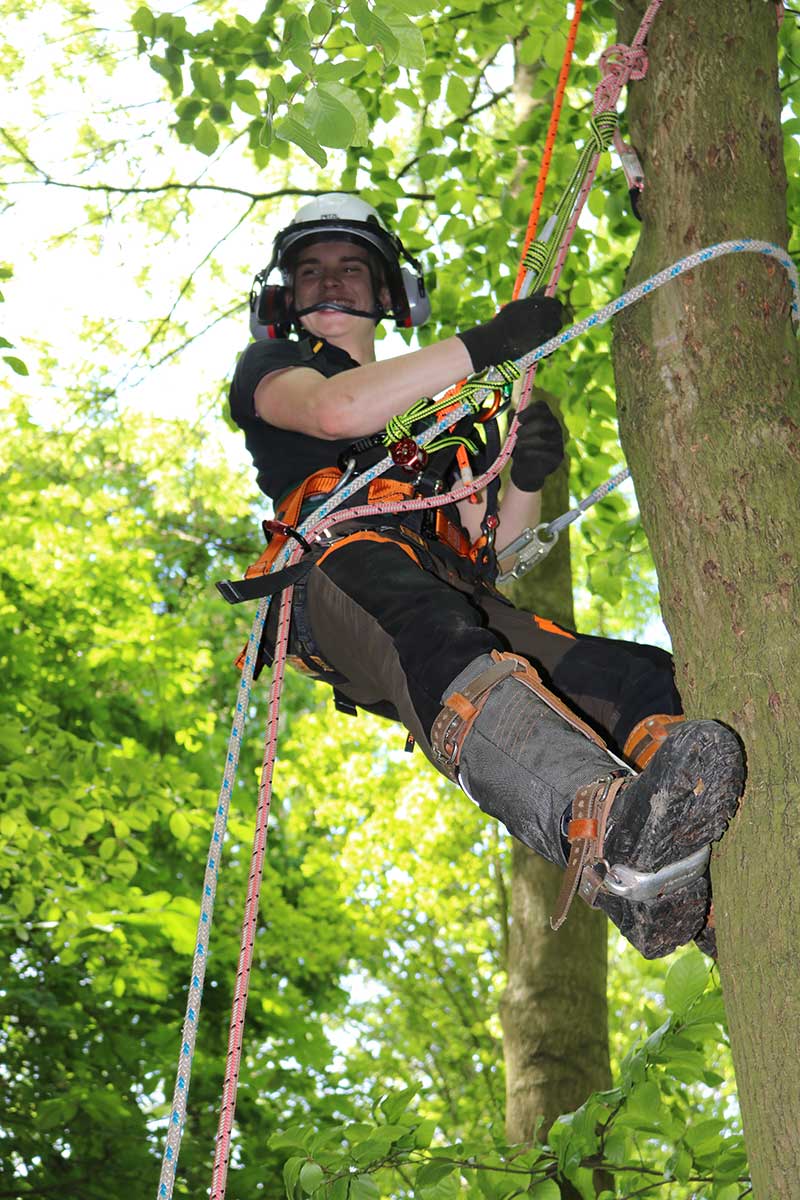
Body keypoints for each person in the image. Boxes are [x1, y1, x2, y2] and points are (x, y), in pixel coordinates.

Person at [228, 193, 743, 960]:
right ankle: (602, 833)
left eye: (351, 270)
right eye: (311, 273)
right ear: (284, 299)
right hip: (344, 572)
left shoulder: (440, 417)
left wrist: (526, 476)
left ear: (388, 294)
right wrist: (487, 344)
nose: (331, 284)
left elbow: (490, 552)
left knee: (631, 677)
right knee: (434, 627)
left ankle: (688, 867)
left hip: (448, 588)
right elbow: (338, 412)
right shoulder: (276, 368)